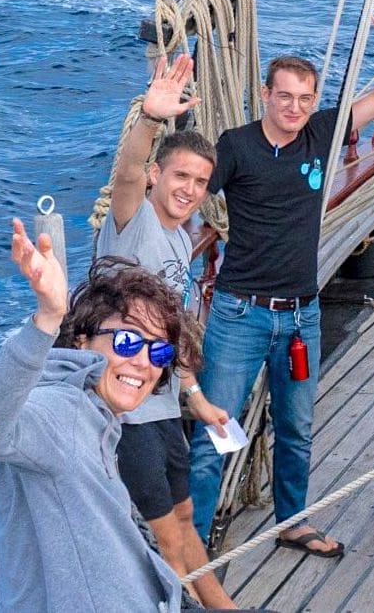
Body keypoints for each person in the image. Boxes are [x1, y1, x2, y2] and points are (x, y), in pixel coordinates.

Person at [188, 7, 374, 558]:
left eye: (305, 98)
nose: (295, 107)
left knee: (297, 428)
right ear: (266, 93)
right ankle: (189, 546)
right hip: (239, 312)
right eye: (285, 96)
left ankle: (293, 521)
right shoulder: (236, 146)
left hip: (300, 316)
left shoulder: (323, 133)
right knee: (215, 434)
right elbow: (190, 190)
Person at [0, 223, 200, 611]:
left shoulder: (95, 418)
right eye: (127, 341)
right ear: (83, 341)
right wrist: (49, 317)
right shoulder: (62, 411)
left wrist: (11, 474)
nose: (143, 362)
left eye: (159, 353)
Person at [96, 54, 236, 606]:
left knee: (183, 519)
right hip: (127, 413)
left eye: (200, 182)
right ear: (158, 175)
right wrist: (151, 120)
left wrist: (196, 399)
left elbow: (173, 334)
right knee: (162, 539)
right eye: (180, 176)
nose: (190, 189)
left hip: (163, 407)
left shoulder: (183, 238)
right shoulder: (134, 225)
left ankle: (224, 606)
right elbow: (127, 174)